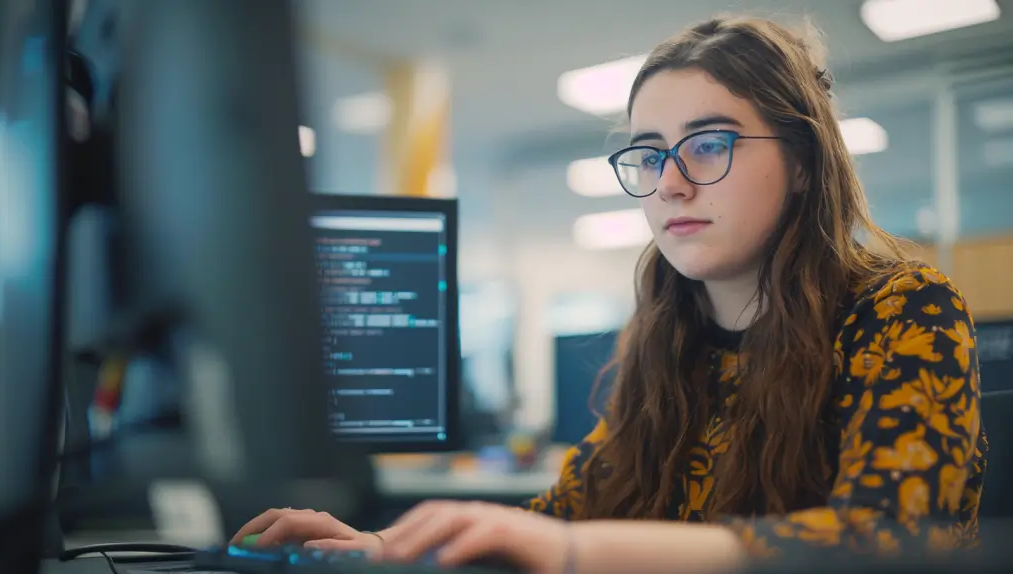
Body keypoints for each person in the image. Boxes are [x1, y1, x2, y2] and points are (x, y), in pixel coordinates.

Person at [231, 15, 987, 573]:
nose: (670, 182)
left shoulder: (903, 309)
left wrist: (569, 551)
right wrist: (382, 546)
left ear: (800, 160)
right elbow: (560, 513)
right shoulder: (669, 336)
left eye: (709, 144)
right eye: (649, 154)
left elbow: (891, 539)